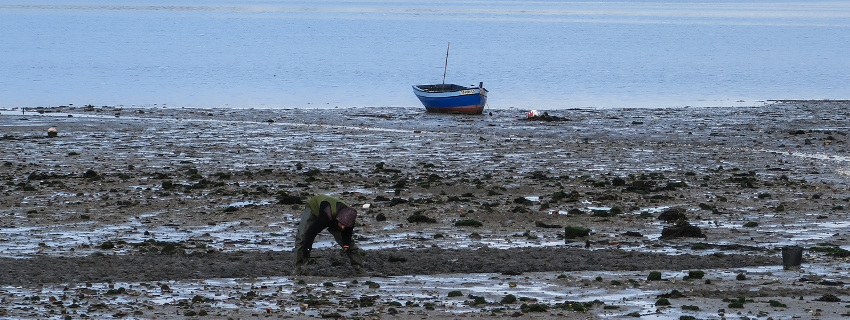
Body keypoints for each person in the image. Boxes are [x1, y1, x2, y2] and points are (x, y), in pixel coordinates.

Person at [293, 195, 365, 276]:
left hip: (335, 217)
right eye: (342, 224)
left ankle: (360, 270)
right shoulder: (325, 217)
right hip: (314, 208)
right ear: (338, 219)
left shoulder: (349, 218)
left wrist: (346, 245)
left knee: (350, 244)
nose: (343, 227)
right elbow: (311, 233)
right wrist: (307, 251)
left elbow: (347, 234)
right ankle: (298, 269)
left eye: (346, 226)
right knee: (302, 237)